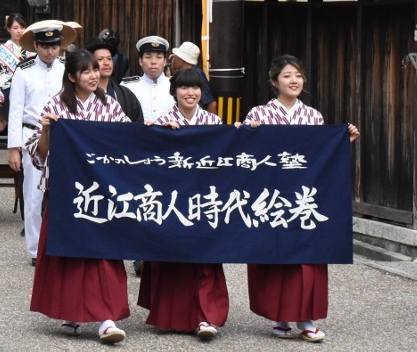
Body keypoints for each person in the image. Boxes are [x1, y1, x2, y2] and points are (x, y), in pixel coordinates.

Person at [240, 54, 360, 343]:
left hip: (305, 196)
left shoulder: (313, 116)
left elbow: (322, 156)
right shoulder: (259, 114)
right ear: (274, 81)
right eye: (286, 76)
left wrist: (343, 141)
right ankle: (280, 315)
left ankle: (306, 318)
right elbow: (243, 155)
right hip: (271, 197)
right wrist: (246, 133)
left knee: (308, 257)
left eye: (298, 76)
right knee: (276, 256)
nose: (294, 81)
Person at [27, 49, 132, 345]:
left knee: (103, 255)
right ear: (72, 76)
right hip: (66, 191)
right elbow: (39, 154)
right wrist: (48, 129)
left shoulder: (109, 105)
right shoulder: (55, 105)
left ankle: (106, 318)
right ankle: (72, 310)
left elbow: (128, 139)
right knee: (69, 254)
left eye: (95, 70)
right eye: (86, 71)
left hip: (101, 190)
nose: (93, 75)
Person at [138, 67, 227, 340]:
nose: (191, 93)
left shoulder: (214, 122)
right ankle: (169, 316)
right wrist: (152, 133)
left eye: (196, 88)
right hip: (172, 201)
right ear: (174, 91)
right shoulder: (163, 121)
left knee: (203, 259)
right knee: (172, 257)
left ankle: (205, 317)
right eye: (184, 88)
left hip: (203, 199)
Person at [8, 20, 72, 265]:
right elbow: (15, 111)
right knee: (34, 195)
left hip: (63, 135)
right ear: (35, 45)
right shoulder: (23, 71)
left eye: (54, 46)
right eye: (44, 46)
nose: (49, 51)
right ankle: (35, 250)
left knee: (63, 192)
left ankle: (62, 244)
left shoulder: (66, 69)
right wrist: (13, 148)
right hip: (31, 136)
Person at [83, 38, 144, 123]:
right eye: (100, 59)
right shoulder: (82, 94)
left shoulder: (126, 94)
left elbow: (137, 124)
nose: (106, 63)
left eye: (109, 58)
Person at [121, 36, 174, 122]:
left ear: (165, 62)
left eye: (159, 57)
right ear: (140, 61)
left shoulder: (175, 86)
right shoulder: (127, 87)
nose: (153, 62)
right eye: (148, 57)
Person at [0, 12, 30, 104]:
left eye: (22, 27)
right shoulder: (3, 50)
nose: (19, 31)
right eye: (15, 28)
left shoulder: (31, 48)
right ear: (9, 29)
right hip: (9, 87)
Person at [170, 41, 217, 113]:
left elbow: (211, 103)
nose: (173, 60)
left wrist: (210, 123)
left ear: (182, 60)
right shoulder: (185, 73)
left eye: (176, 57)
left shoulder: (197, 74)